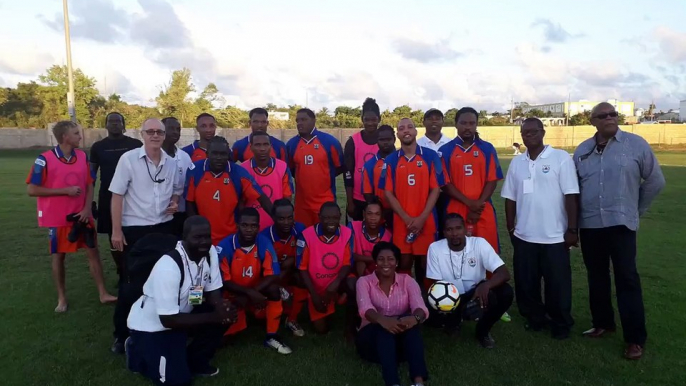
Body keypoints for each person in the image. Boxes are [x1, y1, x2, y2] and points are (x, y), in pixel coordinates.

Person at [573, 102, 665, 360]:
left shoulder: (636, 145)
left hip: (621, 225)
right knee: (597, 277)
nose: (610, 118)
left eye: (613, 114)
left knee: (626, 279)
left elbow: (656, 180)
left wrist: (634, 210)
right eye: (603, 116)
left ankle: (635, 339)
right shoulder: (582, 151)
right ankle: (603, 323)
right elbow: (574, 189)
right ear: (593, 121)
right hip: (590, 225)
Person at [126, 216, 237, 384]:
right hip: (154, 326)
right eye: (197, 237)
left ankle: (196, 362)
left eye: (207, 236)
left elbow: (213, 290)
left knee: (223, 315)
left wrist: (222, 308)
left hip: (183, 317)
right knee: (178, 381)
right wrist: (214, 317)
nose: (204, 242)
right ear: (184, 238)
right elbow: (168, 320)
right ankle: (136, 350)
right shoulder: (168, 267)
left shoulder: (210, 252)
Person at [109, 118, 184, 353]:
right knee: (131, 283)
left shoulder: (171, 163)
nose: (155, 135)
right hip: (135, 229)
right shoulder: (129, 160)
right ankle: (122, 335)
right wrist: (116, 231)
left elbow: (177, 192)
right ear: (142, 134)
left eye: (159, 132)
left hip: (163, 228)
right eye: (150, 131)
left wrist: (173, 203)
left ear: (164, 135)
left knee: (164, 281)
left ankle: (159, 327)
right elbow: (117, 196)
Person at [501, 117, 579, 340]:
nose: (529, 136)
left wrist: (572, 230)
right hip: (524, 235)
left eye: (533, 132)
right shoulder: (518, 162)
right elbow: (509, 197)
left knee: (558, 285)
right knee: (527, 284)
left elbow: (571, 194)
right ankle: (535, 319)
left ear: (543, 132)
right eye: (525, 133)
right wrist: (510, 227)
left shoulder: (560, 158)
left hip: (554, 236)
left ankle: (561, 323)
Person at [26, 120, 117, 312]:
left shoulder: (82, 157)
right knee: (58, 257)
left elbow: (90, 184)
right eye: (76, 133)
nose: (80, 136)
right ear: (65, 137)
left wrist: (86, 209)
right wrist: (64, 191)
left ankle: (103, 293)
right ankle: (62, 298)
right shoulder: (44, 159)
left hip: (83, 216)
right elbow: (32, 189)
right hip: (58, 219)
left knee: (94, 253)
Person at [426, 214, 513, 348]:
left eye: (458, 228)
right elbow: (437, 285)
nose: (454, 233)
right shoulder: (435, 248)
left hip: (476, 292)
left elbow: (504, 273)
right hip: (450, 297)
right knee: (431, 317)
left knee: (505, 292)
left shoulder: (479, 243)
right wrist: (450, 306)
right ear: (444, 232)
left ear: (465, 229)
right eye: (449, 230)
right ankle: (454, 322)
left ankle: (483, 331)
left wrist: (486, 286)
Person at [379, 118, 445, 288]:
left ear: (416, 131)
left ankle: (428, 301)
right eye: (401, 128)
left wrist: (422, 218)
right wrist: (407, 219)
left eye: (410, 127)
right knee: (403, 263)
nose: (406, 130)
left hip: (427, 221)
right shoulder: (391, 160)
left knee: (427, 265)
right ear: (398, 134)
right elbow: (388, 192)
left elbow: (436, 189)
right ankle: (404, 300)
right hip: (402, 223)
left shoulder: (431, 156)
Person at [217, 208, 292, 354]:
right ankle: (244, 318)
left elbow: (273, 274)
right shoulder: (224, 247)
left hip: (256, 291)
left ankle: (272, 336)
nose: (249, 229)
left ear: (258, 227)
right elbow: (223, 282)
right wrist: (248, 293)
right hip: (232, 295)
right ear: (237, 225)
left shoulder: (263, 242)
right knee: (223, 341)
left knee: (274, 289)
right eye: (245, 225)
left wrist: (252, 292)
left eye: (253, 226)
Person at [356, 242, 429, 386]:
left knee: (411, 329)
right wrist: (383, 320)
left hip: (400, 347)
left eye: (390, 259)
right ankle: (392, 382)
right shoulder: (364, 282)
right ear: (375, 261)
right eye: (381, 259)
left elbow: (420, 307)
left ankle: (418, 381)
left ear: (396, 262)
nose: (385, 263)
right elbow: (365, 309)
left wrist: (415, 318)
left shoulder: (408, 281)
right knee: (383, 330)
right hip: (372, 345)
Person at [185, 136, 273, 245]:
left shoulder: (239, 173)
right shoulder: (194, 171)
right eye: (215, 153)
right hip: (204, 237)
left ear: (228, 155)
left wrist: (278, 219)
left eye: (223, 154)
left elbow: (262, 198)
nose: (219, 157)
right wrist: (196, 230)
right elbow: (189, 203)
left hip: (230, 237)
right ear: (207, 154)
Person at [439, 107, 503, 251]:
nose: (468, 127)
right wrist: (469, 203)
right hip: (456, 207)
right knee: (457, 252)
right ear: (456, 124)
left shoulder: (487, 148)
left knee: (487, 252)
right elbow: (445, 183)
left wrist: (478, 205)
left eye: (472, 123)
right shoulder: (446, 151)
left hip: (483, 207)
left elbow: (492, 180)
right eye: (463, 123)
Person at [90, 112, 143, 274]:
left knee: (134, 234)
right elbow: (91, 177)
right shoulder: (98, 147)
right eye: (111, 121)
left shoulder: (135, 144)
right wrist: (89, 202)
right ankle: (121, 269)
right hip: (108, 198)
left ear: (123, 125)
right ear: (106, 125)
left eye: (118, 121)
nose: (114, 124)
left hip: (133, 197)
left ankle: (135, 268)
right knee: (114, 236)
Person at [297, 202, 357, 336]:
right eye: (326, 218)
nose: (331, 221)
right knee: (322, 330)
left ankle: (351, 325)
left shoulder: (347, 234)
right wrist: (314, 295)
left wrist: (335, 284)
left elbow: (347, 264)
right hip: (316, 286)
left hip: (337, 282)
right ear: (319, 217)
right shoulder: (306, 235)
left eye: (335, 218)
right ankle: (323, 304)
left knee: (353, 284)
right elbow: (302, 268)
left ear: (340, 217)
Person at [286, 108, 345, 227]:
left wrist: (323, 176)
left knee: (325, 236)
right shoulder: (291, 144)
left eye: (304, 119)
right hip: (302, 204)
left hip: (325, 201)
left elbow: (339, 167)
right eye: (297, 120)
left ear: (313, 120)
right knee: (304, 238)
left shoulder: (330, 142)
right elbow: (291, 170)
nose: (300, 123)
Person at [260, 199, 309, 337]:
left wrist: (292, 261)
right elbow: (264, 268)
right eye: (281, 219)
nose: (287, 222)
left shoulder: (300, 229)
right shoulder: (264, 236)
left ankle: (292, 319)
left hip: (290, 271)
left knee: (302, 279)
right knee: (260, 315)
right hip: (269, 275)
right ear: (273, 218)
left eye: (289, 217)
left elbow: (303, 257)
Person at [240, 131, 294, 231]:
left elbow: (287, 197)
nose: (262, 149)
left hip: (275, 225)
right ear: (251, 147)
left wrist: (280, 218)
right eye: (257, 145)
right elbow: (240, 201)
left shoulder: (282, 167)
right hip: (251, 226)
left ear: (271, 146)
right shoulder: (243, 169)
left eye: (266, 144)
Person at [344, 97, 380, 221]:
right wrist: (350, 202)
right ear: (362, 120)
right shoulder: (353, 142)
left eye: (373, 119)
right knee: (357, 233)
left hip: (379, 199)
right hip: (357, 198)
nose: (370, 123)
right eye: (366, 119)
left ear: (379, 119)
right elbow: (347, 174)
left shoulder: (385, 141)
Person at [162, 116, 194, 238]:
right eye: (171, 128)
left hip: (181, 213)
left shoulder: (185, 157)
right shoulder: (152, 155)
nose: (175, 132)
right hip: (157, 214)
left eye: (178, 129)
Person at [362, 125, 396, 227]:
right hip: (381, 214)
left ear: (394, 139)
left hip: (402, 212)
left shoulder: (402, 159)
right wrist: (380, 212)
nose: (385, 142)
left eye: (388, 139)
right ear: (377, 141)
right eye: (382, 139)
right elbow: (367, 193)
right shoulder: (370, 164)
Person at [349, 198, 392, 277]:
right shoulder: (353, 227)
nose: (373, 218)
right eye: (369, 213)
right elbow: (350, 255)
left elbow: (386, 261)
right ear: (364, 214)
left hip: (378, 272)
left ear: (382, 216)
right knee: (360, 264)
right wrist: (373, 258)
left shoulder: (388, 236)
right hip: (354, 270)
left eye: (377, 214)